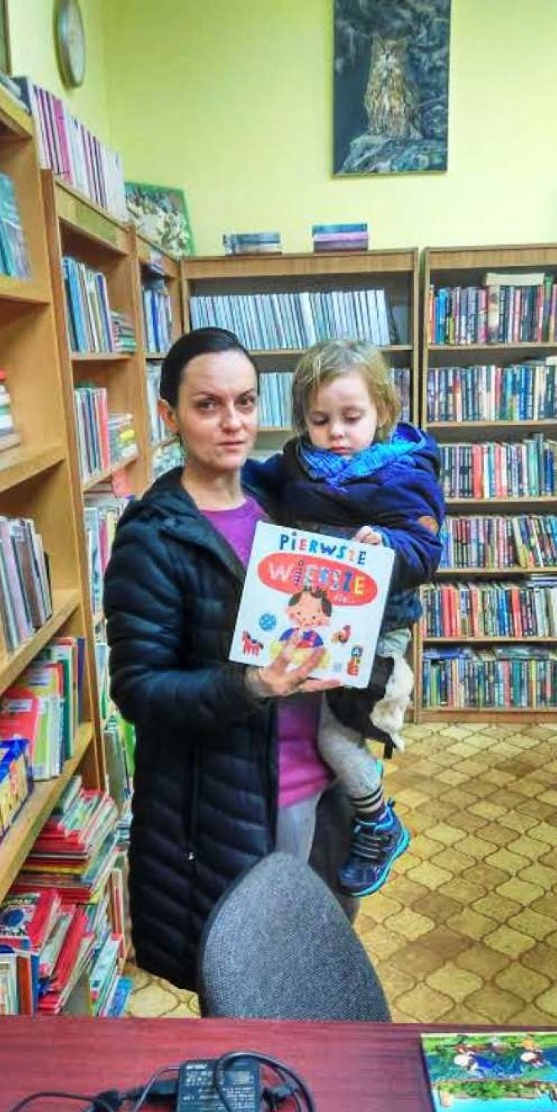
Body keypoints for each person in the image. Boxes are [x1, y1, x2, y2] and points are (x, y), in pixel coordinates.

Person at [102, 327, 348, 991]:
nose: (233, 422)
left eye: (245, 402)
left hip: (320, 783)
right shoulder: (153, 536)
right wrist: (250, 685)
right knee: (250, 988)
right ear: (170, 416)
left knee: (310, 973)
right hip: (232, 806)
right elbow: (140, 690)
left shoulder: (279, 507)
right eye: (208, 405)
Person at [246, 338, 445, 898]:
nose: (336, 431)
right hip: (314, 617)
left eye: (351, 417)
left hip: (377, 627)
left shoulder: (402, 471)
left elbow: (426, 551)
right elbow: (255, 480)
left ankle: (380, 822)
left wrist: (386, 544)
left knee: (337, 740)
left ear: (383, 410)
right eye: (320, 419)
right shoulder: (297, 462)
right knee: (292, 718)